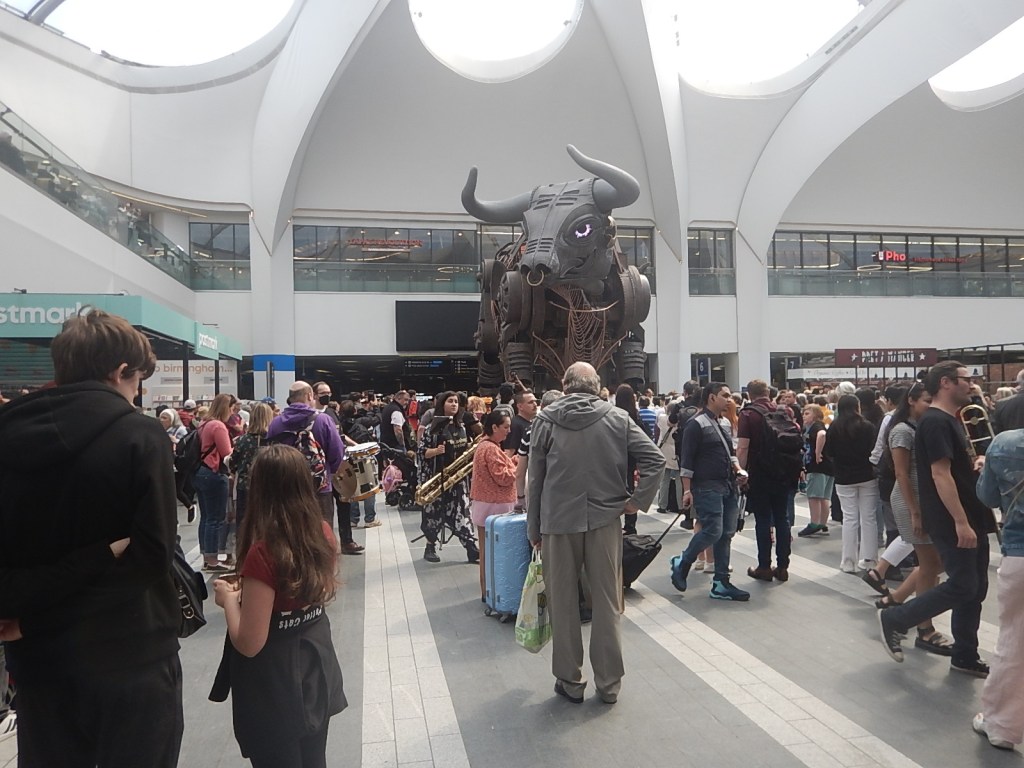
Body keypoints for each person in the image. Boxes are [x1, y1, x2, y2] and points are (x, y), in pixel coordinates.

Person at [0, 309, 183, 766]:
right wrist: (103, 555)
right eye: (137, 381)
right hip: (132, 653)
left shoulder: (7, 436)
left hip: (39, 664)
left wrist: (36, 623)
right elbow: (152, 558)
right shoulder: (139, 435)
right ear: (120, 372)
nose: (137, 394)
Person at [527, 362, 665, 704]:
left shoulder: (546, 420)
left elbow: (536, 479)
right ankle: (609, 684)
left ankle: (570, 680)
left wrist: (534, 527)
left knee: (562, 602)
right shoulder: (618, 418)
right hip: (605, 519)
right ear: (597, 385)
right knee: (607, 602)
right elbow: (655, 459)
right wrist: (635, 503)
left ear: (565, 384)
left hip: (558, 522)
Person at [210, 444, 347, 767]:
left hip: (274, 683)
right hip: (316, 666)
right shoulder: (323, 533)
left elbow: (250, 643)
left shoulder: (264, 552)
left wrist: (229, 601)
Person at [878, 362, 993, 677]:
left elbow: (951, 469)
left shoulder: (948, 419)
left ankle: (965, 654)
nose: (972, 384)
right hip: (953, 518)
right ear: (946, 382)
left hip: (969, 512)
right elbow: (940, 474)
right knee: (964, 584)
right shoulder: (935, 422)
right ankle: (895, 618)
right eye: (966, 379)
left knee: (976, 587)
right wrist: (960, 521)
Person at [669, 382, 750, 599]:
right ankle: (683, 561)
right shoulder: (696, 424)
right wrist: (687, 490)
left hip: (727, 485)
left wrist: (739, 470)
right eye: (725, 395)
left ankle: (721, 582)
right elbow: (686, 460)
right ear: (712, 397)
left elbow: (730, 453)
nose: (729, 399)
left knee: (727, 532)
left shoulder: (722, 423)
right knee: (714, 529)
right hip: (706, 486)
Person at [972, 425, 1024, 750]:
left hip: (1020, 553)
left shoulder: (1005, 443)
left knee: (1014, 641)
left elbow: (988, 497)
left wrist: (984, 467)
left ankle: (1001, 726)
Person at [267, 382, 351, 552]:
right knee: (322, 532)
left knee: (288, 532)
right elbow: (337, 453)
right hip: (319, 487)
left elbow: (269, 454)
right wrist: (328, 472)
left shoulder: (275, 423)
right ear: (309, 396)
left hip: (285, 488)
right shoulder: (322, 420)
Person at [738, 379, 796, 581]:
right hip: (785, 471)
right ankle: (783, 567)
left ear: (749, 394)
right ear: (769, 393)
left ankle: (764, 566)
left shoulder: (748, 414)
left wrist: (741, 472)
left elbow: (743, 447)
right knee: (782, 518)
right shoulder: (785, 411)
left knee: (763, 519)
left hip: (760, 472)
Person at [417, 391, 479, 564]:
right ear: (442, 404)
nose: (454, 404)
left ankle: (471, 549)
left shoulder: (461, 427)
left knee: (463, 513)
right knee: (433, 514)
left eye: (456, 402)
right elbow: (421, 452)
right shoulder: (432, 429)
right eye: (450, 401)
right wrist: (435, 451)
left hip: (458, 479)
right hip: (437, 478)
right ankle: (430, 546)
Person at [824, 394, 880, 573]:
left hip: (843, 478)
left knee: (849, 518)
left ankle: (848, 562)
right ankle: (870, 560)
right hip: (867, 475)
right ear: (857, 406)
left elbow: (829, 452)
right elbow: (874, 450)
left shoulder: (834, 427)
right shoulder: (867, 426)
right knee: (869, 518)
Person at [470, 411, 517, 599]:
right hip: (494, 507)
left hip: (487, 505)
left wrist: (511, 462)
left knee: (487, 552)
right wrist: (519, 466)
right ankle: (493, 592)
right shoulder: (490, 448)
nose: (509, 431)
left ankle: (488, 591)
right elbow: (503, 477)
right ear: (494, 427)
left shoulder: (486, 446)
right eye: (506, 427)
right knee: (494, 554)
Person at [195, 393, 235, 571]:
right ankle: (212, 559)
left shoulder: (203, 423)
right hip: (214, 473)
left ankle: (206, 556)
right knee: (216, 518)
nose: (232, 413)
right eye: (231, 409)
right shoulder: (218, 426)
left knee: (205, 517)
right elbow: (227, 454)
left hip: (200, 471)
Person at [229, 401, 273, 532]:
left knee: (244, 524)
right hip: (268, 486)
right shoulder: (273, 440)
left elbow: (233, 464)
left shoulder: (242, 440)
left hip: (245, 486)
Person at [797, 404, 833, 536]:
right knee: (824, 496)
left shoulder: (816, 427)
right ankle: (822, 523)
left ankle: (814, 523)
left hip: (817, 466)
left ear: (816, 415)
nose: (804, 416)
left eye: (807, 414)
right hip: (828, 466)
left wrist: (817, 453)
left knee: (814, 496)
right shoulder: (816, 427)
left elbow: (822, 435)